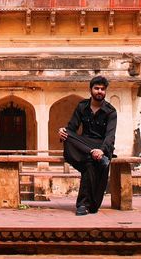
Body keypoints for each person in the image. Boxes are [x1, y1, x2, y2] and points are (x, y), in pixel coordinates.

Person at [58, 75, 117, 215]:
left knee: (94, 205)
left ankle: (83, 205)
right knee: (66, 133)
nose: (99, 91)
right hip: (84, 145)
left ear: (105, 91)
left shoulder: (111, 111)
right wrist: (61, 132)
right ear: (91, 90)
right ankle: (82, 205)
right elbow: (71, 128)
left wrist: (101, 150)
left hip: (101, 148)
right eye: (96, 88)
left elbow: (110, 136)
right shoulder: (82, 106)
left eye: (102, 89)